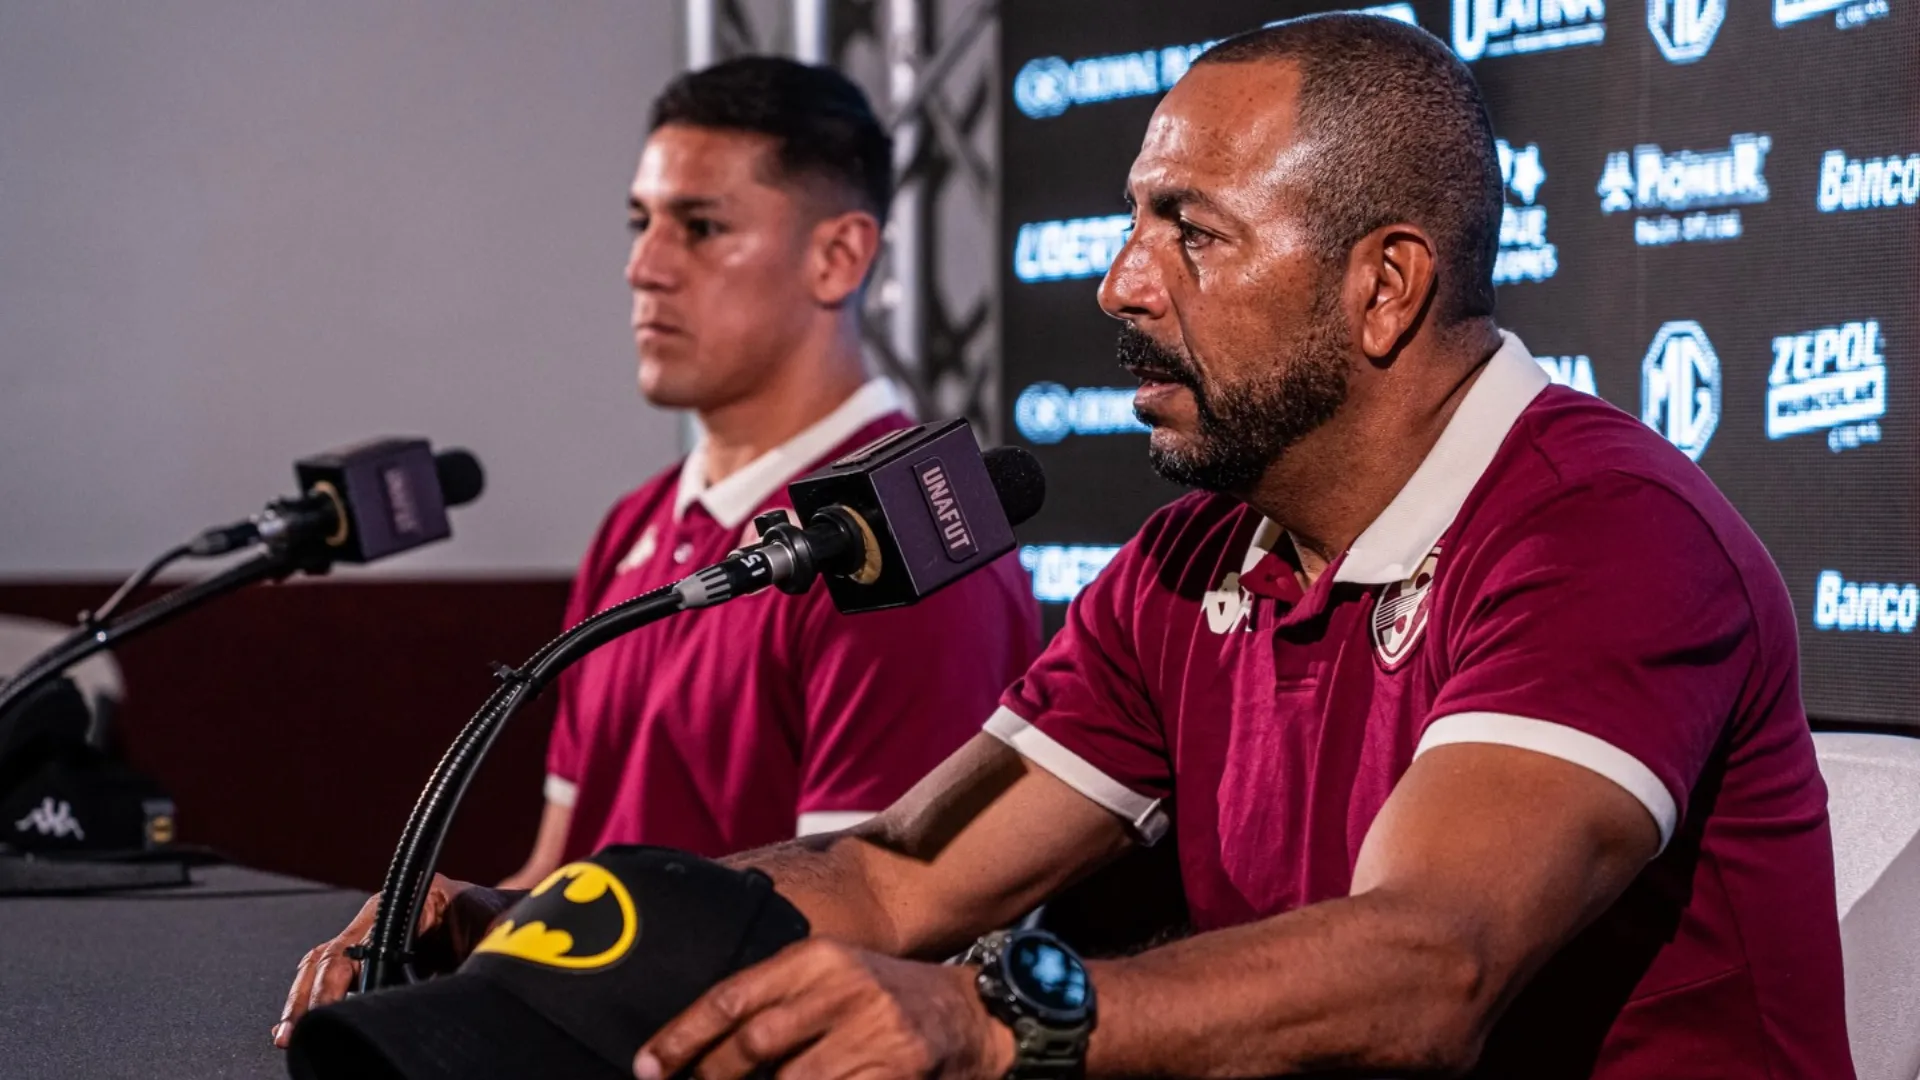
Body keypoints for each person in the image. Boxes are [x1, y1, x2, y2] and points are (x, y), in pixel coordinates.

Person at [288, 15, 1856, 1078]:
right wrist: (546, 940)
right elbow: (896, 880)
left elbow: (1428, 962)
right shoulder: (1187, 566)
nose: (1119, 282)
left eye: (1194, 230)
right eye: (1129, 220)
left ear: (1385, 287)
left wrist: (993, 1027)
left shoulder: (1603, 531)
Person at [273, 58, 1039, 1047]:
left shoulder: (905, 552)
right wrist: (464, 920)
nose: (645, 265)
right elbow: (560, 865)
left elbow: (876, 934)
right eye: (641, 224)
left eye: (702, 227)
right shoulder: (632, 525)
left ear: (838, 258)